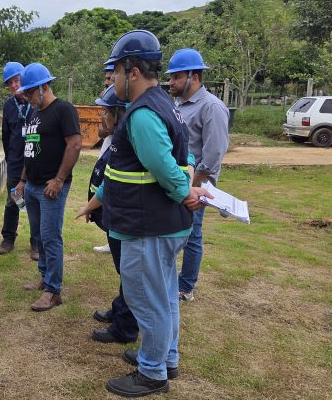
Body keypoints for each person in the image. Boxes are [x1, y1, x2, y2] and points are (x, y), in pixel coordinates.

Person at [99, 30, 211, 397]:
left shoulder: (143, 113)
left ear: (132, 71)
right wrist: (185, 188)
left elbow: (165, 166)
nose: (111, 79)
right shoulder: (165, 104)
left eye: (114, 71)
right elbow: (187, 155)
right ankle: (166, 358)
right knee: (162, 295)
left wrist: (183, 192)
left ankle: (151, 372)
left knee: (147, 300)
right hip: (159, 223)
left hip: (148, 225)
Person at [14, 63, 81, 312]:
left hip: (51, 187)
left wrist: (59, 179)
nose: (28, 98)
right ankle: (44, 276)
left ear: (44, 87)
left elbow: (74, 144)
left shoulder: (63, 110)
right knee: (39, 236)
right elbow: (28, 149)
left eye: (30, 93)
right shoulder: (34, 113)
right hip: (31, 186)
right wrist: (22, 181)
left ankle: (53, 290)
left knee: (51, 237)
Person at [167, 49, 230, 302]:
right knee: (174, 230)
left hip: (197, 182)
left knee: (192, 234)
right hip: (178, 180)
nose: (170, 82)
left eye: (176, 77)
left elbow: (213, 153)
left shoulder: (211, 107)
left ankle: (186, 286)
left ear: (193, 76)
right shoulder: (177, 104)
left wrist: (191, 185)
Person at [78, 86, 139, 345]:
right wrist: (93, 207)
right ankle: (120, 310)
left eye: (106, 112)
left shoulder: (131, 143)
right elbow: (107, 182)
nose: (102, 117)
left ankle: (124, 327)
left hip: (127, 218)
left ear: (120, 113)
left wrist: (92, 206)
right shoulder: (117, 140)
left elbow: (112, 184)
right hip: (115, 215)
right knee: (124, 271)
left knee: (130, 273)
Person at [0, 62, 39, 261]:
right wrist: (10, 158)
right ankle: (8, 239)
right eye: (10, 83)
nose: (14, 85)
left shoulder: (38, 103)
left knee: (35, 203)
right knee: (14, 201)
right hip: (15, 163)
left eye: (17, 80)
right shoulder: (8, 106)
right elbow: (6, 136)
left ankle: (36, 243)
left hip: (36, 161)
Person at [93, 63, 117, 254]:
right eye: (106, 80)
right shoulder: (106, 99)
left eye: (110, 78)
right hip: (108, 146)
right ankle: (110, 237)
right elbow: (102, 131)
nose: (108, 82)